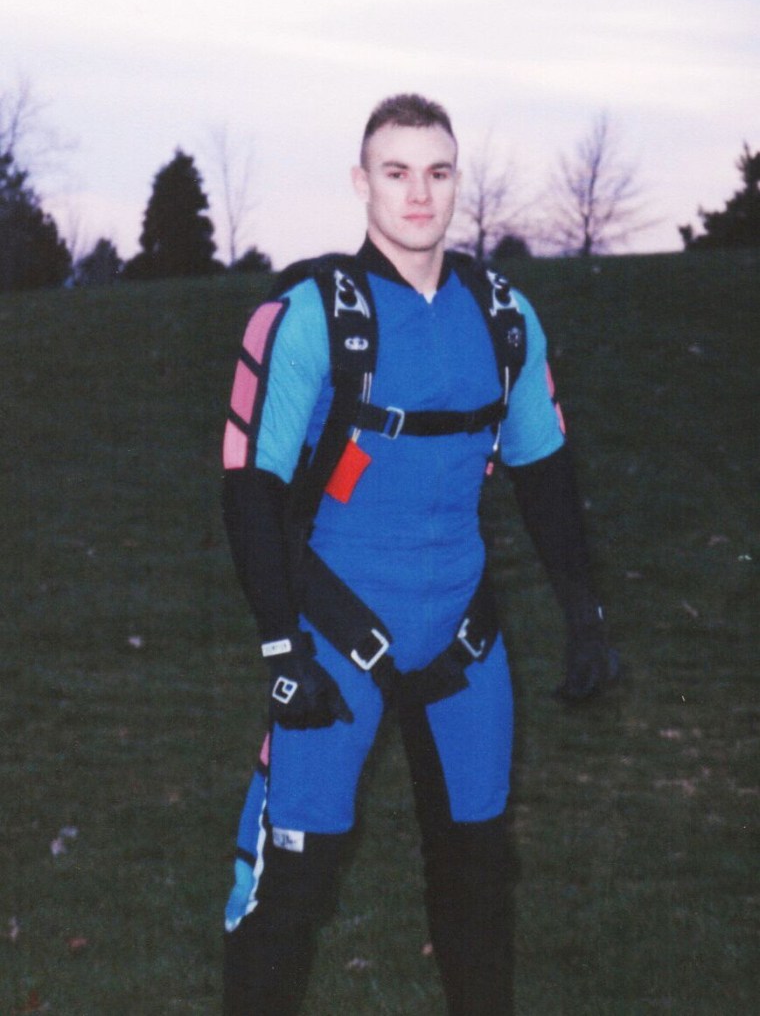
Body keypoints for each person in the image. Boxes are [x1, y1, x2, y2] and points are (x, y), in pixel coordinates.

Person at [220, 93, 618, 1015]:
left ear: (456, 182)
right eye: (395, 172)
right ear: (362, 183)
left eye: (437, 172)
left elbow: (545, 469)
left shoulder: (506, 317)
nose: (418, 194)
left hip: (463, 644)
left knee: (479, 875)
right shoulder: (310, 314)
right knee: (292, 887)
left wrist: (583, 611)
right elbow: (250, 488)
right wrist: (282, 649)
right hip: (334, 640)